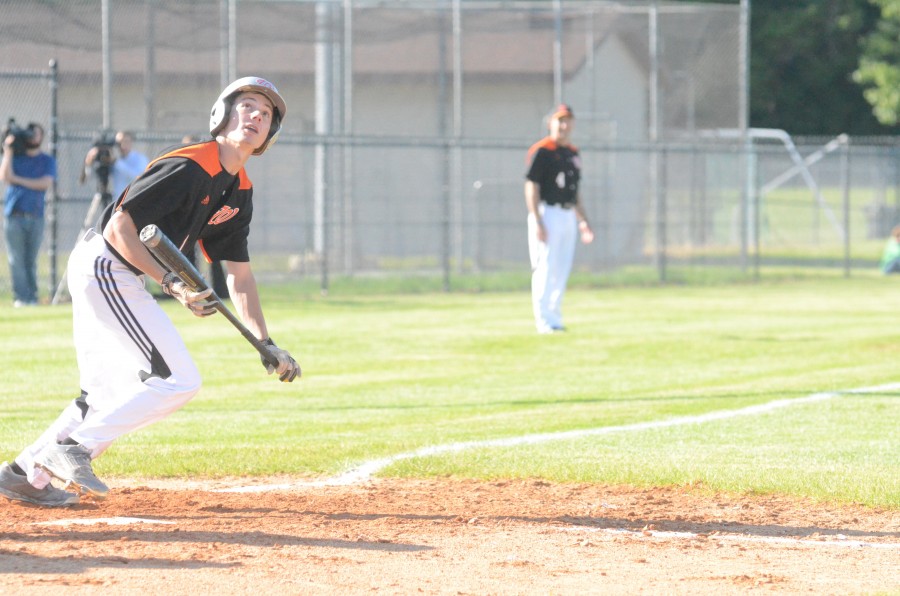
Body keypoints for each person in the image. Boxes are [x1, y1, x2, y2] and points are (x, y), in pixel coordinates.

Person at [0, 77, 300, 507]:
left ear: (270, 133)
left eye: (266, 113)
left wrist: (265, 342)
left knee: (100, 395)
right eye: (247, 105)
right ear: (222, 114)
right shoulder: (190, 164)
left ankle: (25, 476)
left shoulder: (239, 190)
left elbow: (240, 275)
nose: (255, 116)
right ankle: (73, 450)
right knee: (178, 380)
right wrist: (173, 284)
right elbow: (120, 226)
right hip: (108, 265)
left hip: (110, 272)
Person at [524, 104, 594, 334]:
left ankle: (555, 318)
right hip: (548, 212)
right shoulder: (543, 151)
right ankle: (543, 320)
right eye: (560, 120)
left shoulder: (572, 153)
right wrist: (537, 220)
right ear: (551, 123)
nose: (564, 125)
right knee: (545, 266)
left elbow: (575, 192)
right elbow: (531, 186)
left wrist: (583, 220)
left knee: (561, 268)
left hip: (567, 214)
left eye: (568, 121)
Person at [1, 121, 56, 307]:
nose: (33, 137)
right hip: (14, 216)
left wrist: (18, 180)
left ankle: (32, 297)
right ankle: (21, 298)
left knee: (30, 260)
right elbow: (4, 177)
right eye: (30, 134)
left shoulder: (47, 160)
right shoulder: (17, 158)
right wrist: (8, 150)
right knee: (16, 260)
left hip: (35, 216)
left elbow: (44, 183)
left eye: (37, 134)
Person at [83, 130, 150, 201]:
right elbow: (92, 177)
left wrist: (116, 162)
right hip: (118, 202)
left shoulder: (140, 159)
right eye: (119, 143)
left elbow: (138, 176)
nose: (122, 145)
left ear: (131, 142)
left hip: (135, 201)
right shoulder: (115, 160)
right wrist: (89, 164)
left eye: (126, 141)